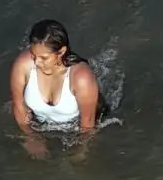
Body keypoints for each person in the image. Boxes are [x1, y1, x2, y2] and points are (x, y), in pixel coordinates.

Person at [8, 19, 106, 154]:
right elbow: (19, 106)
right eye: (33, 55)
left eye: (44, 58)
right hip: (40, 124)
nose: (36, 62)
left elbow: (87, 125)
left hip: (75, 127)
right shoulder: (23, 64)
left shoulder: (81, 78)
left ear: (61, 52)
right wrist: (31, 137)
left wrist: (81, 150)